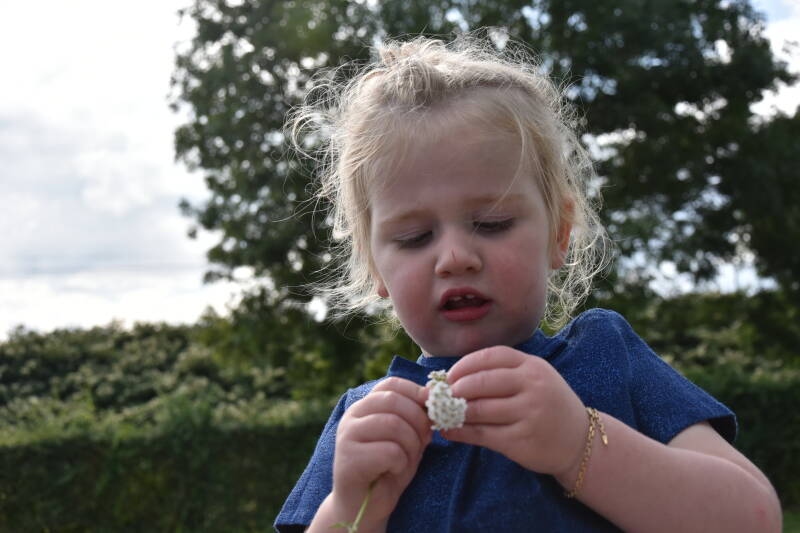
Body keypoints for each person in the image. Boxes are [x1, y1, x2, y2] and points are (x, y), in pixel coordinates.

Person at [275, 33, 782, 532]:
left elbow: (754, 518)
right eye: (413, 237)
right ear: (374, 266)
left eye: (491, 223)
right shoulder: (365, 422)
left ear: (558, 233)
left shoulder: (605, 357)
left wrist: (577, 442)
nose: (454, 257)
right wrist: (349, 509)